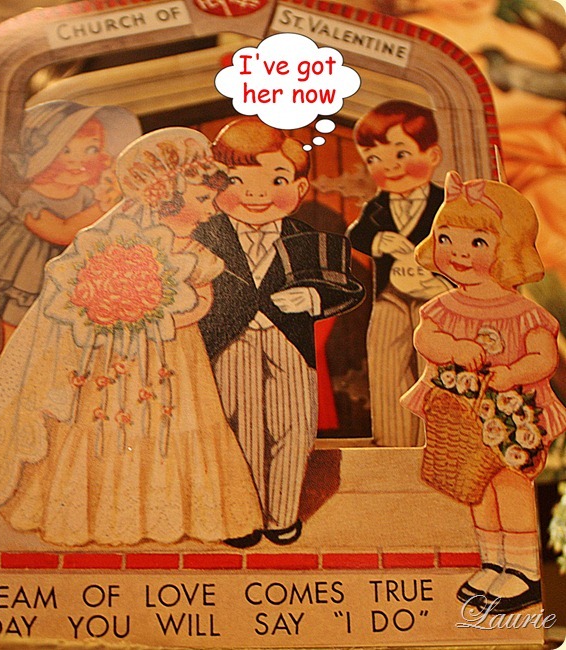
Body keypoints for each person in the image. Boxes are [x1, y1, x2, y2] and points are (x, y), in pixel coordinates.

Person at [0, 127, 263, 546]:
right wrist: (124, 312)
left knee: (179, 423)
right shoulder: (118, 243)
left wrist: (165, 314)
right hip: (117, 358)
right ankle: (98, 517)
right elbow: (85, 296)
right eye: (203, 199)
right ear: (168, 199)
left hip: (176, 356)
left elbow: (202, 302)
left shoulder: (197, 252)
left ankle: (191, 516)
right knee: (106, 422)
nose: (211, 209)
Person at [193, 118, 364, 548]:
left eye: (276, 180)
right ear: (214, 184)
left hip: (289, 344)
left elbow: (346, 287)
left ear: (300, 188)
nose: (256, 194)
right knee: (239, 427)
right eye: (236, 180)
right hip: (228, 344)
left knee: (293, 427)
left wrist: (313, 297)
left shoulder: (306, 238)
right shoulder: (203, 238)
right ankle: (245, 515)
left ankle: (281, 515)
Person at [401, 171, 566, 615]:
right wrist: (453, 348)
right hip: (463, 417)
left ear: (507, 249)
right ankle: (493, 561)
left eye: (476, 242)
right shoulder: (443, 307)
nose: (458, 252)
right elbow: (426, 339)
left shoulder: (524, 311)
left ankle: (524, 570)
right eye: (447, 238)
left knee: (510, 487)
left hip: (513, 420)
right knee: (476, 489)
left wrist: (514, 373)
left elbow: (544, 356)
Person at [405, 0, 566, 284]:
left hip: (544, 155)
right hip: (471, 164)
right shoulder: (414, 34)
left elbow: (550, 107)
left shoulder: (534, 44)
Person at [0, 100, 141, 343]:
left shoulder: (86, 194)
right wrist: (103, 207)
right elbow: (62, 232)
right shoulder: (32, 199)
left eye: (91, 149)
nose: (78, 160)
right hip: (30, 275)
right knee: (20, 323)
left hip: (71, 273)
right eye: (66, 150)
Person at [346, 100, 448, 447]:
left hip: (437, 298)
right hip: (390, 294)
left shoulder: (446, 203)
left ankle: (437, 441)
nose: (389, 167)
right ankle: (394, 442)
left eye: (401, 154)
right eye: (374, 159)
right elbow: (357, 235)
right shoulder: (378, 206)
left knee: (436, 366)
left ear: (432, 155)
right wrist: (378, 241)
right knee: (386, 360)